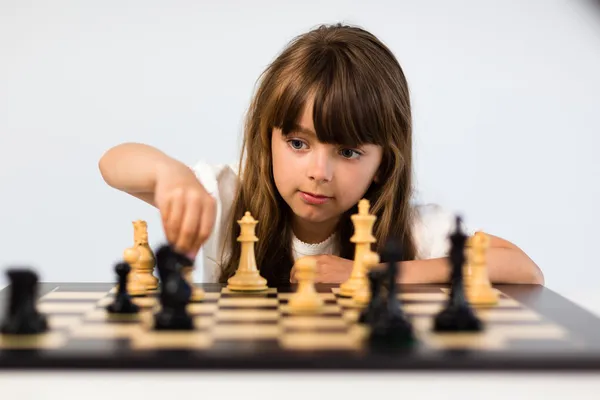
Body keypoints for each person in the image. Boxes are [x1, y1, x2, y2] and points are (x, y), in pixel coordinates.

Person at [98, 23, 544, 287]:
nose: (318, 172)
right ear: (266, 136)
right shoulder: (226, 197)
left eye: (348, 151)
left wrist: (373, 275)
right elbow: (114, 164)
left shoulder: (408, 230)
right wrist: (170, 175)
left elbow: (524, 268)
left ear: (383, 164)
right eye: (297, 143)